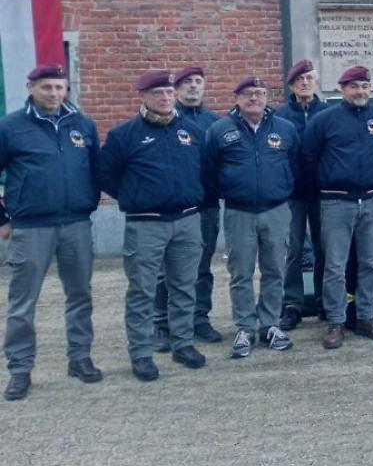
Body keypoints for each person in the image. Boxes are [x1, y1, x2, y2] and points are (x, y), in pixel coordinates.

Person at [97, 70, 209, 381]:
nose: (164, 98)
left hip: (187, 220)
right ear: (143, 96)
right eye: (157, 93)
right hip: (146, 224)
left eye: (169, 92)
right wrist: (134, 196)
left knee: (185, 287)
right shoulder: (125, 134)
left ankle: (183, 344)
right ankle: (142, 353)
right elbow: (105, 174)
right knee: (142, 291)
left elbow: (204, 168)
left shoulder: (190, 130)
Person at [1, 64, 102, 401]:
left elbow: (95, 170)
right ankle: (20, 368)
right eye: (47, 87)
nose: (54, 94)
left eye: (59, 87)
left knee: (80, 295)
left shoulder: (82, 124)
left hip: (76, 224)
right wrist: (2, 217)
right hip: (31, 228)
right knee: (22, 302)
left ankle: (80, 358)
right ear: (31, 88)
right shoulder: (11, 127)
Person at [202, 76, 298, 359]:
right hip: (239, 212)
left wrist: (281, 188)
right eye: (247, 94)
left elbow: (294, 165)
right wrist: (230, 190)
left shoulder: (285, 129)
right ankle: (245, 326)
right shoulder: (220, 130)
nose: (254, 98)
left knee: (274, 270)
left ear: (267, 97)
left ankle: (269, 324)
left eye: (259, 93)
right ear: (237, 98)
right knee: (240, 272)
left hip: (276, 210)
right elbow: (209, 170)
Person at [301, 65, 373, 349]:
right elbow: (308, 157)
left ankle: (367, 316)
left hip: (372, 200)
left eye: (365, 86)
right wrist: (330, 182)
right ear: (342, 89)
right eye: (354, 86)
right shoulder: (324, 119)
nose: (360, 91)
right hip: (336, 201)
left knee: (370, 262)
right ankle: (336, 321)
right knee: (335, 266)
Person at [152, 65, 222, 349]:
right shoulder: (165, 119)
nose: (193, 86)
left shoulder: (215, 123)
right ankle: (162, 322)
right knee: (166, 269)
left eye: (198, 81)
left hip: (205, 206)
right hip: (171, 209)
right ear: (176, 89)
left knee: (202, 267)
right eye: (187, 82)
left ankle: (199, 319)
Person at [275, 59, 328, 331]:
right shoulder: (280, 115)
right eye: (299, 80)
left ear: (315, 81)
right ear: (292, 85)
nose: (304, 83)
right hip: (293, 194)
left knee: (325, 249)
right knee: (293, 251)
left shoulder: (330, 112)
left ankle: (323, 301)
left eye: (308, 78)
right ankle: (292, 305)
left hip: (323, 193)